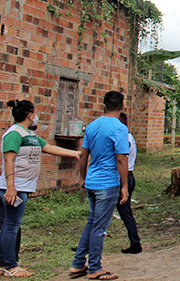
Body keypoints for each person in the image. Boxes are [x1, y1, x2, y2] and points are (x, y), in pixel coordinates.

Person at [0, 99, 79, 278]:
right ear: (29, 114)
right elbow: (9, 160)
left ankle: (7, 262)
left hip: (21, 187)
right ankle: (11, 266)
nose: (36, 116)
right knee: (11, 226)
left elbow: (49, 147)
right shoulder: (14, 134)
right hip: (14, 188)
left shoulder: (30, 135)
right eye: (34, 112)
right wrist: (11, 188)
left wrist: (75, 153)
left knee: (11, 225)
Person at [69, 91, 130, 280]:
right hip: (107, 183)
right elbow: (121, 158)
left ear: (104, 105)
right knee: (99, 227)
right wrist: (125, 185)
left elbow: (83, 155)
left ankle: (78, 264)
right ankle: (95, 267)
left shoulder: (92, 126)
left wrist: (82, 178)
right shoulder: (119, 128)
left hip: (92, 182)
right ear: (122, 106)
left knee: (92, 222)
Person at [116, 113, 141, 254]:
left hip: (123, 177)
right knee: (124, 211)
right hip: (126, 176)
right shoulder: (127, 136)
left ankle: (135, 242)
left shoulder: (124, 138)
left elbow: (121, 159)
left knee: (124, 211)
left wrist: (124, 185)